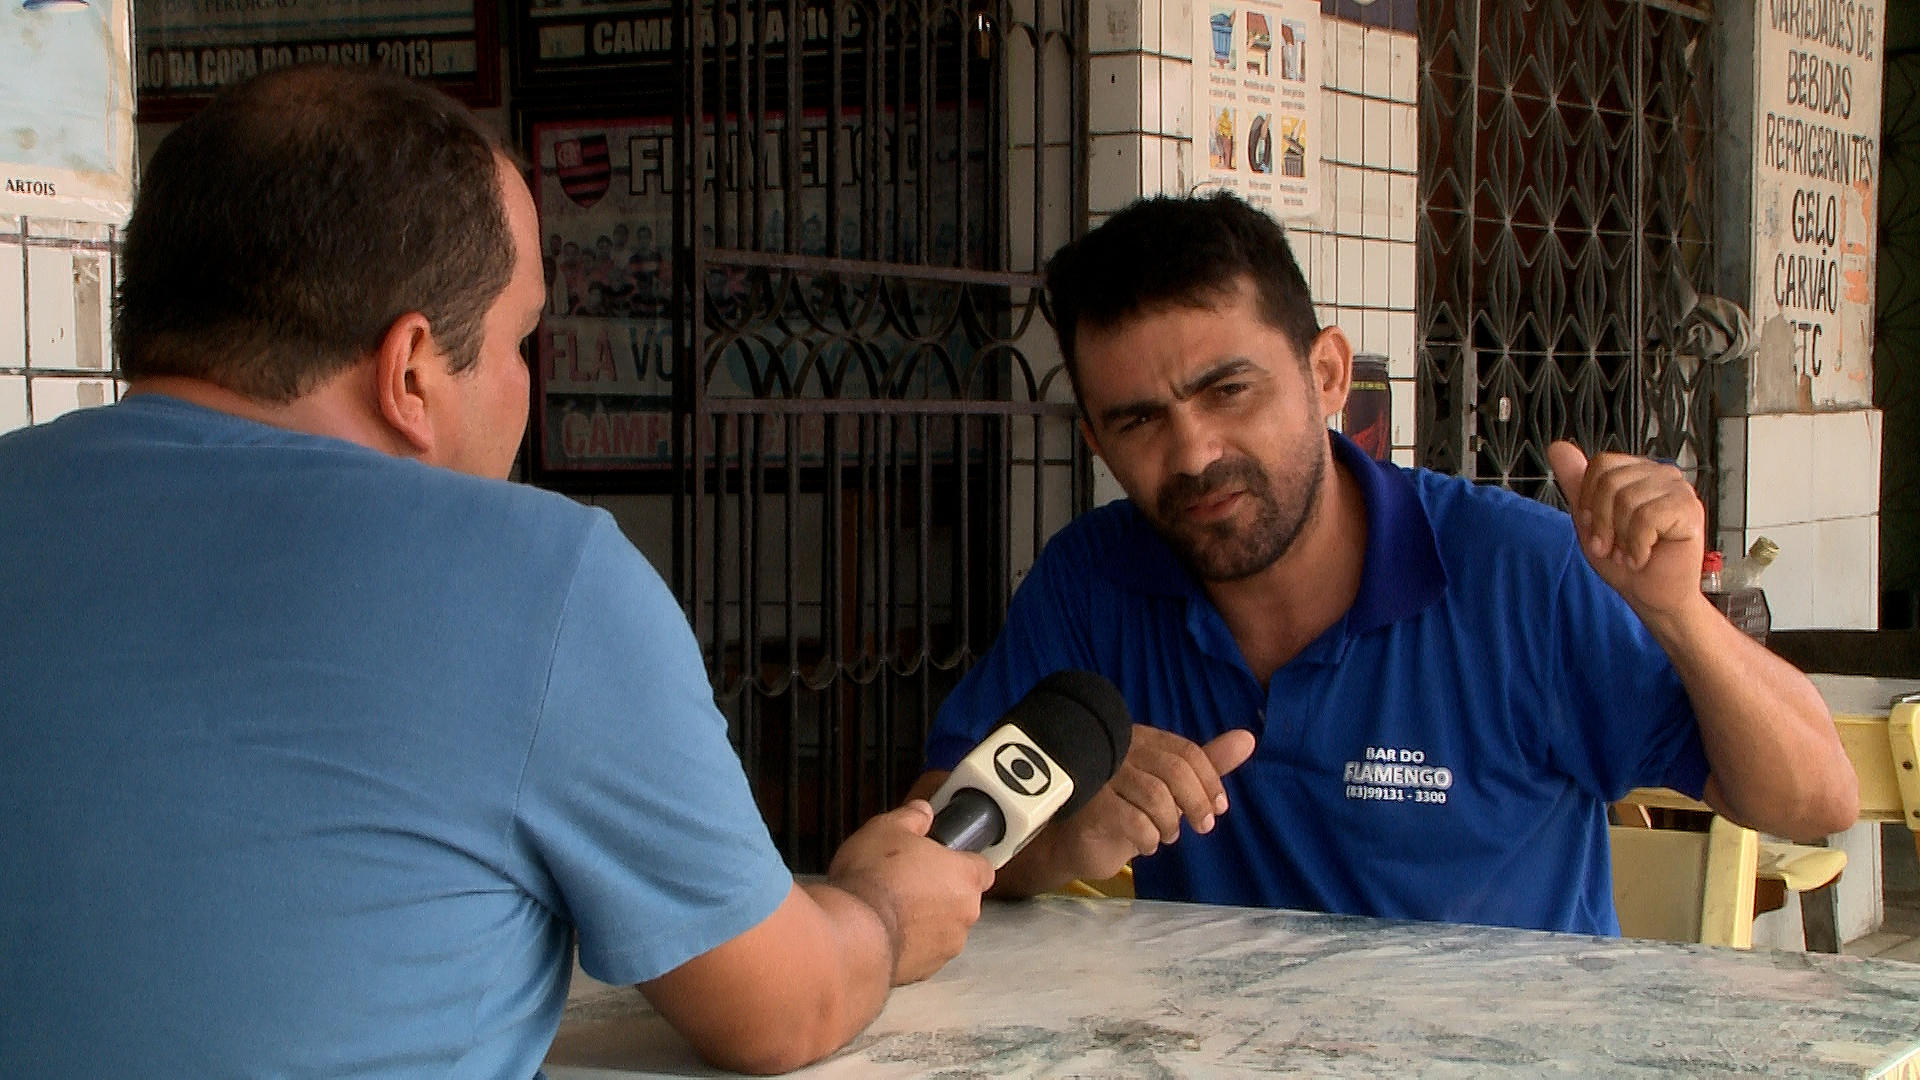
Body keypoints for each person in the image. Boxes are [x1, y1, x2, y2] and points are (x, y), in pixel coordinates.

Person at [0, 66, 993, 1078]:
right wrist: (884, 906)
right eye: (524, 337)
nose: (529, 380)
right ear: (412, 371)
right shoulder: (540, 577)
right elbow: (788, 1006)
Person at [907, 192, 1857, 935]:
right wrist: (1064, 834)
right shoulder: (1091, 583)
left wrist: (1678, 614)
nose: (1193, 453)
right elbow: (932, 839)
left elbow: (1817, 800)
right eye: (1139, 420)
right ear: (1097, 441)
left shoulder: (1516, 568)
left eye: (1228, 391)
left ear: (1327, 374)